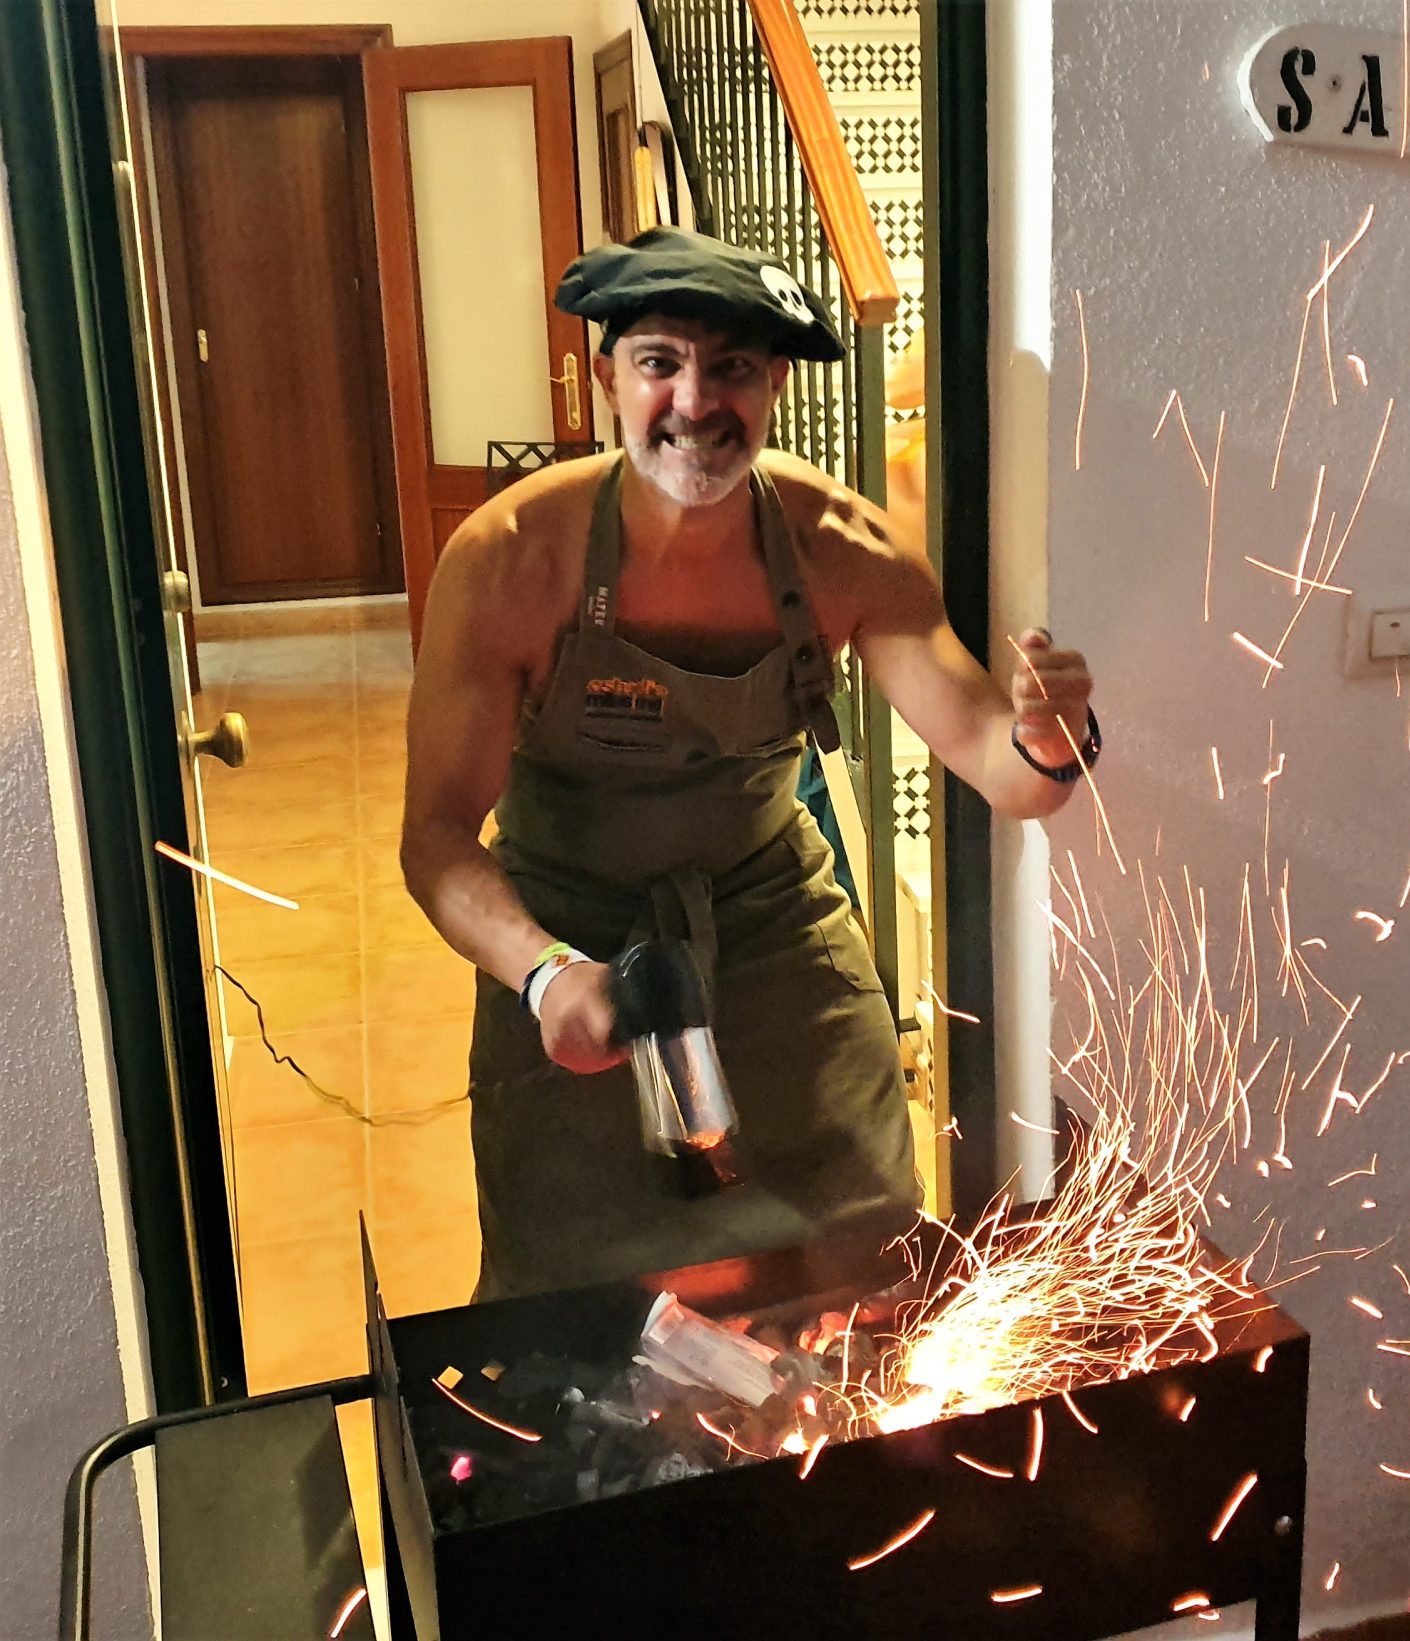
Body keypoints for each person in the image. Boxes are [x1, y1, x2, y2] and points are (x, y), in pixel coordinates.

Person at [400, 227, 1098, 1300]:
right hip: (570, 943)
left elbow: (998, 765)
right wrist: (543, 975)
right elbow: (437, 836)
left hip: (775, 923)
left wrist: (1049, 742)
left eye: (729, 367)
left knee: (866, 1252)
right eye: (659, 364)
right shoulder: (510, 561)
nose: (693, 402)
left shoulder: (843, 551)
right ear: (606, 380)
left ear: (771, 382)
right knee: (574, 1293)